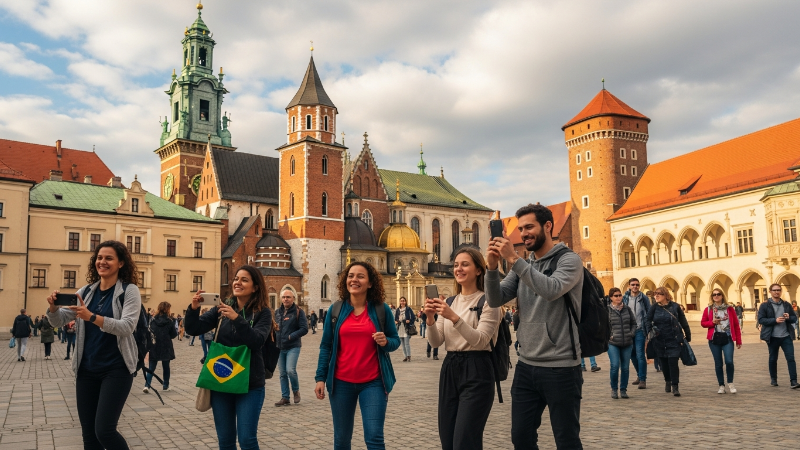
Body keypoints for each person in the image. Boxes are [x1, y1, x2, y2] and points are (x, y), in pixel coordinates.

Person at [485, 203, 584, 449]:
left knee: (566, 440)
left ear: (548, 226)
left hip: (561, 367)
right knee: (521, 437)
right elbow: (495, 299)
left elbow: (551, 290)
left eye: (529, 227)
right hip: (527, 366)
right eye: (520, 229)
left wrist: (513, 259)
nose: (524, 233)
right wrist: (491, 267)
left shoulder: (569, 260)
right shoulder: (524, 265)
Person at [46, 240, 142, 449]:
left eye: (109, 258)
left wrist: (92, 317)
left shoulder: (129, 290)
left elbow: (127, 327)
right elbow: (59, 320)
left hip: (116, 369)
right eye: (99, 258)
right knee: (89, 436)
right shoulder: (87, 291)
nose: (102, 262)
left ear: (121, 263)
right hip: (87, 369)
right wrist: (53, 308)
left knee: (105, 431)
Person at [315, 262, 400, 450]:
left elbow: (395, 340)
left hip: (374, 383)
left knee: (374, 437)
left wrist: (386, 341)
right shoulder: (335, 310)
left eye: (360, 276)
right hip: (340, 383)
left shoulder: (381, 309)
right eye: (351, 276)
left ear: (370, 283)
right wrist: (320, 378)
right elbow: (326, 346)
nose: (354, 280)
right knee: (342, 439)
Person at [185, 266, 272, 450]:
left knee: (247, 440)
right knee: (225, 441)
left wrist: (236, 319)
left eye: (244, 280)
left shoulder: (262, 312)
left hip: (250, 383)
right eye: (236, 278)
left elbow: (257, 341)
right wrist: (193, 309)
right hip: (221, 380)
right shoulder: (221, 308)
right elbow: (193, 329)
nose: (237, 282)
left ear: (255, 287)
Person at [425, 247, 501, 450]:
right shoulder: (449, 301)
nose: (459, 268)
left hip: (477, 368)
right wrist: (431, 319)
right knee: (447, 439)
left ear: (478, 270)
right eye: (456, 265)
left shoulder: (489, 302)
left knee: (465, 441)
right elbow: (435, 342)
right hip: (450, 367)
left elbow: (482, 340)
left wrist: (453, 317)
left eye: (465, 264)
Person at [645, 287, 691, 397]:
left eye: (659, 294)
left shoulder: (675, 306)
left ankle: (675, 386)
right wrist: (649, 331)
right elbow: (647, 320)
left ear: (666, 295)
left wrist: (687, 335)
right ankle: (667, 381)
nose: (656, 296)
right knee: (664, 363)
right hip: (659, 339)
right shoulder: (654, 307)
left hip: (673, 338)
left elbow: (683, 321)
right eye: (655, 294)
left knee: (673, 362)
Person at [757, 283, 799, 388]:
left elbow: (795, 318)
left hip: (786, 336)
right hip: (772, 337)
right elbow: (761, 319)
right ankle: (773, 379)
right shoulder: (764, 305)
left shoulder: (786, 304)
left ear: (781, 291)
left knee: (791, 358)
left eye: (778, 290)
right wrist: (774, 320)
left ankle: (793, 381)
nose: (777, 292)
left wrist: (789, 317)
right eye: (774, 290)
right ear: (770, 291)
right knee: (773, 358)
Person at [700, 289, 742, 394]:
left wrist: (738, 340)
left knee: (729, 361)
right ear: (712, 297)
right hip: (714, 339)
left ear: (722, 296)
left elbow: (736, 325)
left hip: (727, 338)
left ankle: (730, 383)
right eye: (714, 295)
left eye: (718, 294)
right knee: (718, 363)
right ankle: (721, 385)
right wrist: (712, 322)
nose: (716, 296)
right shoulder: (709, 309)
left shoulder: (730, 309)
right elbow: (703, 323)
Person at [274, 289, 308, 406]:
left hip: (293, 346)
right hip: (280, 347)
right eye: (283, 297)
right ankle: (285, 397)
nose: (285, 299)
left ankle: (295, 391)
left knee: (290, 370)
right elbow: (274, 327)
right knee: (282, 373)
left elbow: (304, 329)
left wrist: (290, 336)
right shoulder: (277, 312)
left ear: (293, 298)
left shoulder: (298, 312)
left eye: (288, 297)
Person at [143, 301, 178, 393]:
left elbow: (149, 332)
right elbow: (174, 334)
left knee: (151, 367)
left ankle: (147, 385)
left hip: (154, 345)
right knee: (166, 367)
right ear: (167, 309)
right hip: (166, 345)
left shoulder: (153, 320)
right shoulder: (169, 321)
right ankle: (165, 386)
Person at [607, 288, 635, 399]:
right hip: (613, 342)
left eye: (620, 295)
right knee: (614, 366)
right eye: (615, 296)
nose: (618, 297)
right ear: (611, 298)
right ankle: (614, 389)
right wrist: (609, 335)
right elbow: (603, 325)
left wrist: (631, 333)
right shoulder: (607, 310)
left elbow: (633, 323)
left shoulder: (627, 309)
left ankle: (623, 389)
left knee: (625, 368)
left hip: (627, 342)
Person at [623, 278, 651, 389]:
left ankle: (643, 379)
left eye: (637, 285)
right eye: (633, 284)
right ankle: (639, 375)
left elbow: (649, 312)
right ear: (629, 286)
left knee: (640, 354)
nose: (635, 286)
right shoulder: (625, 298)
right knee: (632, 354)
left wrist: (649, 329)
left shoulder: (643, 298)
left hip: (640, 329)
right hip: (628, 330)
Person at [395, 297, 416, 361]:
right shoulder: (398, 310)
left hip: (406, 327)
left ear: (405, 302)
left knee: (406, 343)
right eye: (401, 301)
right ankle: (405, 356)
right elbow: (395, 318)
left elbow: (413, 317)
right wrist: (396, 321)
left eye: (403, 301)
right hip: (400, 327)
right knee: (402, 344)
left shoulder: (408, 309)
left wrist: (409, 321)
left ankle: (409, 356)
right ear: (399, 302)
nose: (402, 302)